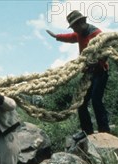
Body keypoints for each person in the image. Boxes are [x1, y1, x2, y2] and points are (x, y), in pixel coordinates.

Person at [47, 10, 110, 141]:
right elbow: (70, 37)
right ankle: (86, 130)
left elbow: (106, 51)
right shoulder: (79, 33)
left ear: (82, 22)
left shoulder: (96, 34)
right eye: (73, 27)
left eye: (75, 26)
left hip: (100, 72)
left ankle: (104, 130)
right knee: (81, 102)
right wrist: (56, 36)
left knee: (96, 100)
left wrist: (98, 61)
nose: (74, 29)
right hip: (88, 73)